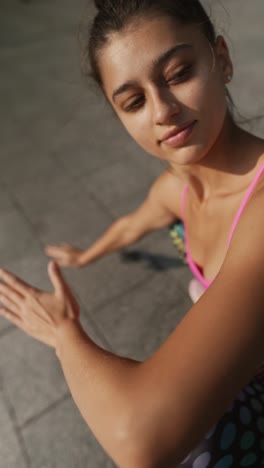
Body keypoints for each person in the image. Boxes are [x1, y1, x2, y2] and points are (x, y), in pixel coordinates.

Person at [0, 0, 264, 466]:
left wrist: (64, 334)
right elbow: (131, 226)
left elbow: (140, 440)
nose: (163, 111)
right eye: (134, 102)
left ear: (221, 59)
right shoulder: (174, 190)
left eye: (179, 73)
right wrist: (84, 256)